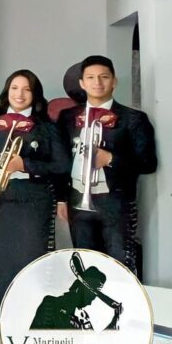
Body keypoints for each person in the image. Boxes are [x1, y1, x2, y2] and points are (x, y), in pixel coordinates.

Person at [0, 70, 70, 336]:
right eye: (15, 88)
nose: (19, 94)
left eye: (26, 89)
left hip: (33, 198)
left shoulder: (47, 125)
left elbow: (62, 164)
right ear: (7, 91)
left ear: (34, 94)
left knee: (29, 260)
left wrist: (24, 164)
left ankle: (28, 320)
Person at [57, 55, 156, 279]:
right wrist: (62, 199)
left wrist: (111, 158)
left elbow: (148, 163)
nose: (97, 83)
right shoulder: (67, 117)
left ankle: (125, 311)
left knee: (120, 264)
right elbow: (62, 161)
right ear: (82, 83)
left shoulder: (134, 119)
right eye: (90, 77)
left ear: (114, 81)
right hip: (78, 202)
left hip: (116, 204)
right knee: (84, 265)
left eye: (104, 77)